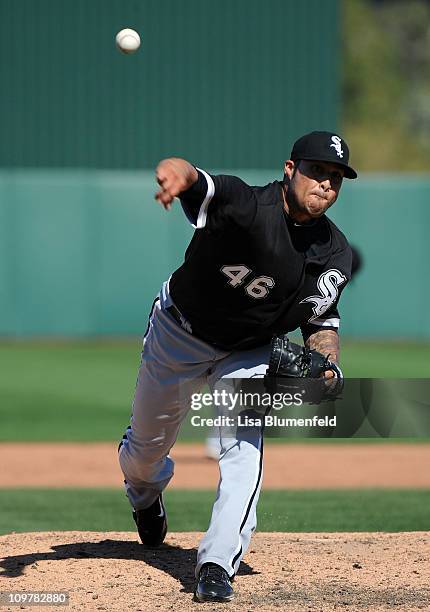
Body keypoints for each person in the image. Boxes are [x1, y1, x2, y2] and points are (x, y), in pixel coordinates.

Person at [118, 131, 357, 603]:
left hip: (247, 350)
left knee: (243, 451)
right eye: (317, 171)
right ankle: (144, 495)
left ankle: (215, 562)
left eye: (335, 177)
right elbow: (193, 178)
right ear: (290, 170)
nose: (326, 184)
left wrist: (327, 362)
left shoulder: (335, 252)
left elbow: (320, 321)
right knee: (146, 450)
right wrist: (173, 173)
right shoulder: (247, 205)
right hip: (179, 331)